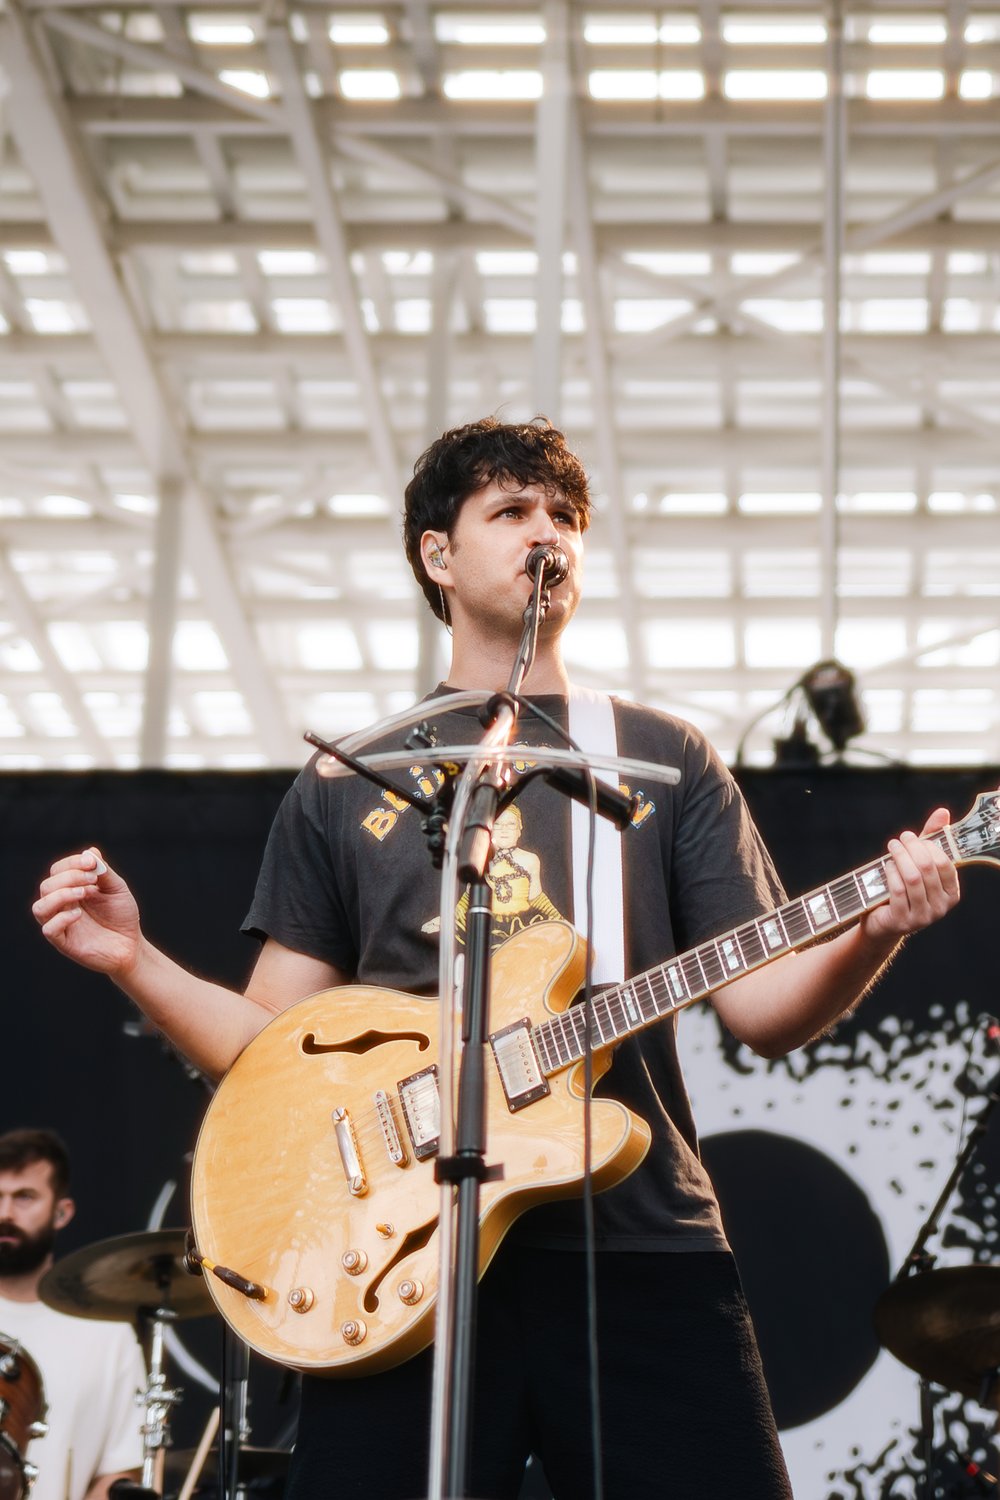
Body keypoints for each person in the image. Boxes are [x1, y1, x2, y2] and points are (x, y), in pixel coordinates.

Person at [33, 417, 965, 1500]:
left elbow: (763, 1009)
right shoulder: (348, 779)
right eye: (512, 512)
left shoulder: (659, 759)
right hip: (400, 1259)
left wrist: (875, 928)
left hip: (638, 1239)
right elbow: (263, 1043)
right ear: (438, 553)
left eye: (564, 515)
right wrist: (133, 956)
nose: (546, 535)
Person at [0, 1128, 146, 1500]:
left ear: (61, 1212)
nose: (5, 1213)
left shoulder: (108, 1332)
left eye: (24, 1197)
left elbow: (120, 1472)